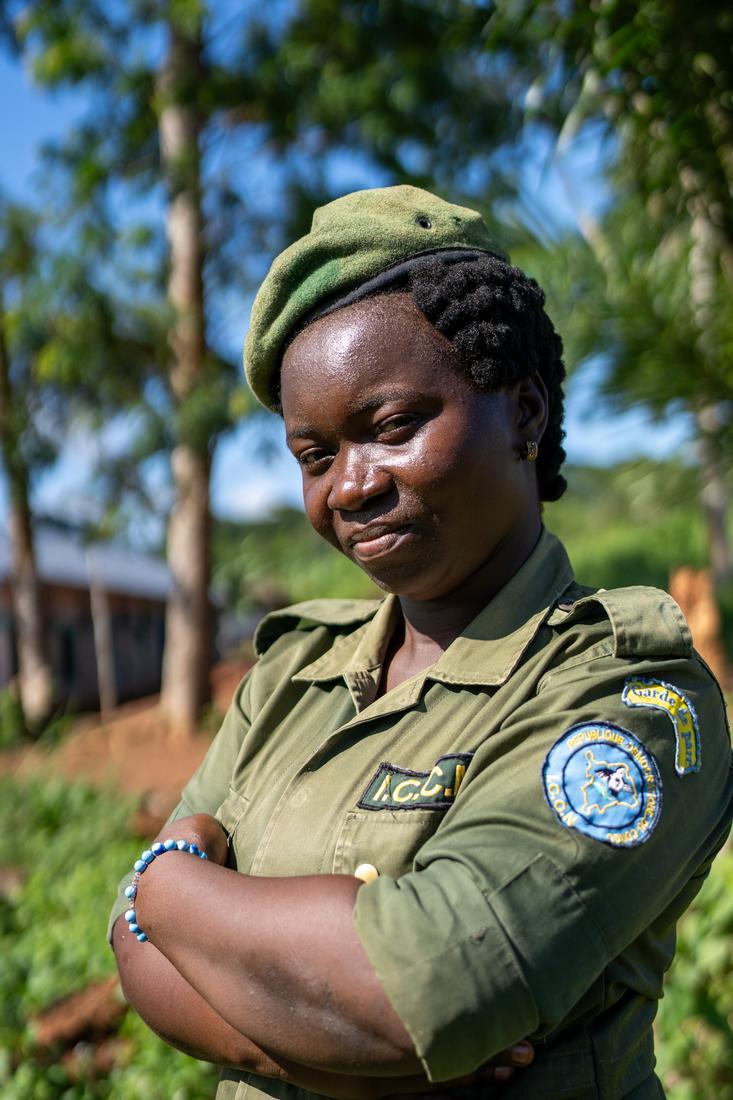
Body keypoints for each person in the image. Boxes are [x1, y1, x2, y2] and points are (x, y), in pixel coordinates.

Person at [110, 185, 733, 1100]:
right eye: (314, 455)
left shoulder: (625, 692)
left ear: (523, 413)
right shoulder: (292, 672)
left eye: (392, 427)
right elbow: (140, 958)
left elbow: (422, 990)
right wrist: (355, 1070)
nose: (349, 487)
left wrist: (162, 887)